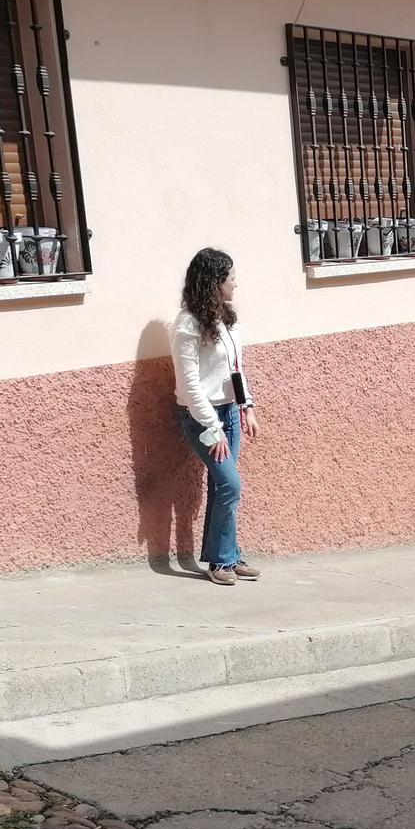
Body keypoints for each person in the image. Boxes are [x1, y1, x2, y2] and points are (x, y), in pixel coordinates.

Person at [172, 248, 261, 586]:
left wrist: (246, 406)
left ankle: (225, 556)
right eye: (231, 277)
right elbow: (189, 383)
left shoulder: (226, 317)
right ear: (215, 281)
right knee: (230, 484)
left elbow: (235, 367)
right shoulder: (187, 324)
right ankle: (222, 560)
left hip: (229, 411)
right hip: (201, 417)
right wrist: (213, 426)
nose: (236, 283)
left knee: (221, 486)